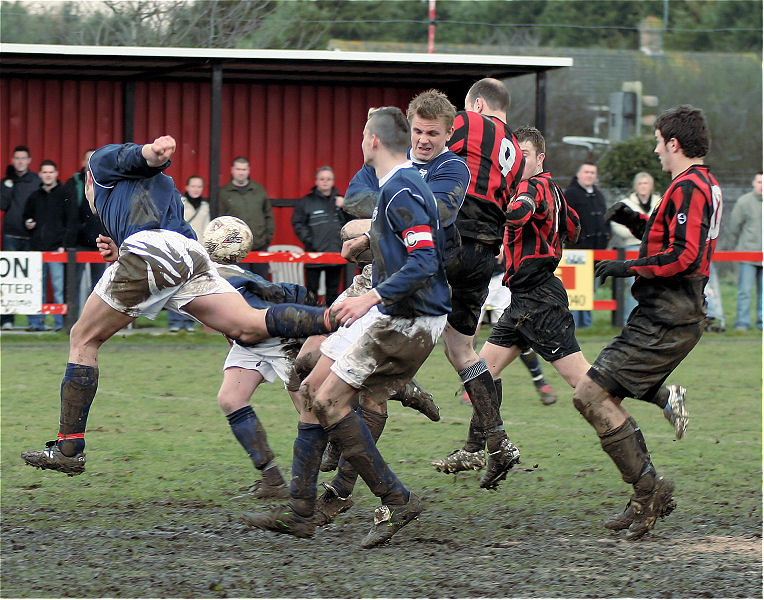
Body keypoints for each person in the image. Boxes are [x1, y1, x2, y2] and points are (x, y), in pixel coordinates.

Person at [21, 135, 340, 477]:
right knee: (247, 323)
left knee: (82, 338)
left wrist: (154, 152)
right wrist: (123, 249)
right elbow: (171, 237)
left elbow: (135, 158)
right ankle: (339, 317)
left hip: (152, 251)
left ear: (88, 179)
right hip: (188, 253)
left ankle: (70, 447)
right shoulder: (161, 189)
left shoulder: (99, 164)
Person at [243, 107, 451, 548]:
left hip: (407, 318)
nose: (360, 142)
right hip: (397, 312)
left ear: (373, 141)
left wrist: (372, 296)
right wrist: (371, 242)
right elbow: (409, 244)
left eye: (362, 136)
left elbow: (426, 259)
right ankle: (301, 511)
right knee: (310, 387)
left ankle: (397, 499)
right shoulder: (398, 187)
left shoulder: (402, 189)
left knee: (328, 399)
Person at [574, 105, 721, 540]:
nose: (656, 150)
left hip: (669, 316)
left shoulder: (691, 185)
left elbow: (686, 256)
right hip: (662, 314)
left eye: (658, 141)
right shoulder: (697, 183)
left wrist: (629, 267)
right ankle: (646, 491)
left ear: (673, 143)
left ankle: (649, 491)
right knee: (593, 395)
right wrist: (633, 219)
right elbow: (672, 240)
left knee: (590, 394)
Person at [435, 128, 592, 477]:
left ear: (540, 158)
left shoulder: (531, 188)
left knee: (583, 382)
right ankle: (478, 450)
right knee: (483, 370)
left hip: (539, 299)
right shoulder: (555, 190)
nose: (521, 160)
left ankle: (659, 395)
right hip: (524, 298)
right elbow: (575, 227)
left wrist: (507, 212)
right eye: (515, 154)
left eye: (526, 153)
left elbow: (521, 210)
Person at [429, 78, 526, 488]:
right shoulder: (518, 151)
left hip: (452, 235)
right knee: (461, 347)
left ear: (478, 104)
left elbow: (432, 160)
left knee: (388, 318)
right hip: (485, 254)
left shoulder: (466, 121)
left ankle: (344, 444)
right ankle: (498, 440)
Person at [23, 160, 79, 331]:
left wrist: (64, 244)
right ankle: (36, 323)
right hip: (37, 249)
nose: (47, 175)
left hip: (56, 249)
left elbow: (71, 221)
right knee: (36, 288)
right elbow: (26, 218)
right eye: (44, 172)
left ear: (56, 174)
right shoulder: (34, 196)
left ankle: (59, 324)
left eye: (50, 172)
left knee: (58, 288)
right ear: (40, 174)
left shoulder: (64, 195)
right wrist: (28, 223)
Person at [608, 172, 661, 324]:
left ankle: (651, 321)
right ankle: (630, 322)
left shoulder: (660, 202)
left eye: (646, 183)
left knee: (654, 285)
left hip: (654, 249)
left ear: (651, 186)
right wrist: (642, 234)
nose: (643, 186)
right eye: (640, 183)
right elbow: (616, 224)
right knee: (634, 284)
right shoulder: (626, 203)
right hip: (632, 246)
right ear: (635, 186)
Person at [291, 166, 349, 305]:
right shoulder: (306, 201)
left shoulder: (341, 201)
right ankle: (311, 322)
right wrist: (309, 241)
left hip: (335, 254)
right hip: (313, 254)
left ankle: (332, 324)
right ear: (316, 181)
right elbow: (297, 223)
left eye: (328, 179)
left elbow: (350, 223)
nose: (325, 182)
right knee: (311, 292)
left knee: (333, 293)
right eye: (322, 179)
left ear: (333, 181)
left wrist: (345, 206)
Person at [64, 149, 109, 318]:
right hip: (78, 242)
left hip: (101, 241)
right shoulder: (73, 183)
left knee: (99, 286)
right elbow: (67, 214)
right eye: (88, 159)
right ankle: (71, 321)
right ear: (83, 162)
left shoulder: (107, 183)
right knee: (73, 285)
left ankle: (95, 321)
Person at [564, 162, 610, 328]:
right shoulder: (571, 194)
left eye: (593, 173)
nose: (590, 175)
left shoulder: (598, 194)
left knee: (591, 289)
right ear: (579, 175)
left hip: (597, 251)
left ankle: (587, 325)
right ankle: (574, 324)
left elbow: (605, 218)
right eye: (586, 172)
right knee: (576, 291)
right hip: (578, 251)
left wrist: (606, 236)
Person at [1, 145, 41, 329]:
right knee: (9, 280)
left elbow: (42, 206)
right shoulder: (6, 181)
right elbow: (2, 204)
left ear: (29, 160)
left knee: (33, 278)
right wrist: (8, 186)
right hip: (11, 234)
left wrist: (36, 222)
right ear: (13, 160)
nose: (20, 162)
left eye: (23, 158)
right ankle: (7, 320)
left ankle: (34, 321)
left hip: (30, 236)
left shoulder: (36, 180)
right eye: (17, 158)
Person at [218, 157, 274, 279]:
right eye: (238, 169)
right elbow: (219, 220)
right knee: (241, 284)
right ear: (232, 170)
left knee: (262, 285)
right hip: (236, 250)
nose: (241, 172)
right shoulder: (224, 193)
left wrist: (267, 239)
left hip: (259, 246)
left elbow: (268, 215)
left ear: (248, 171)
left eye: (244, 169)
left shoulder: (258, 190)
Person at [168, 175, 210, 332]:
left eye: (199, 186)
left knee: (193, 288)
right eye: (193, 186)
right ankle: (174, 322)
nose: (196, 189)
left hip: (198, 251)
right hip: (180, 249)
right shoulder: (180, 203)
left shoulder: (205, 206)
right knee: (175, 286)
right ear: (187, 187)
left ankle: (189, 322)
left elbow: (207, 228)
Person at [728, 172, 762, 331]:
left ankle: (761, 322)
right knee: (745, 292)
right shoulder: (744, 202)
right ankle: (742, 323)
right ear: (753, 183)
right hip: (747, 254)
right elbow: (734, 226)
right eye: (759, 182)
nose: (761, 186)